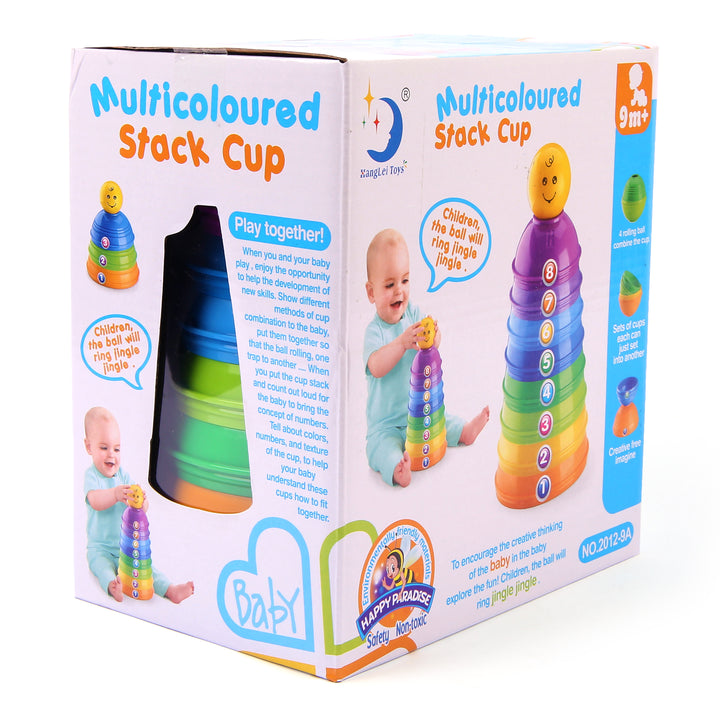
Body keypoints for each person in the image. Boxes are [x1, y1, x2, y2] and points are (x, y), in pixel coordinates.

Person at [363, 229, 489, 487]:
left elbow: (432, 345)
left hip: (418, 414)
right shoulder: (375, 331)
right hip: (386, 425)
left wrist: (434, 336)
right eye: (389, 285)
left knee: (441, 420)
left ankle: (464, 432)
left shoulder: (413, 313)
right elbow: (376, 367)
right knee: (380, 448)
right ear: (371, 292)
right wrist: (401, 343)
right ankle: (397, 467)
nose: (399, 290)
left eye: (405, 280)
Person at [83, 406, 194, 603]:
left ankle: (170, 590)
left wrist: (142, 502)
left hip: (125, 546)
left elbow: (141, 508)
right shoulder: (92, 475)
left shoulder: (123, 476)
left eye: (116, 449)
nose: (111, 455)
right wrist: (115, 494)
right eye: (103, 448)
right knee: (101, 566)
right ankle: (113, 586)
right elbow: (95, 501)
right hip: (100, 547)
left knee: (147, 569)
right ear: (89, 447)